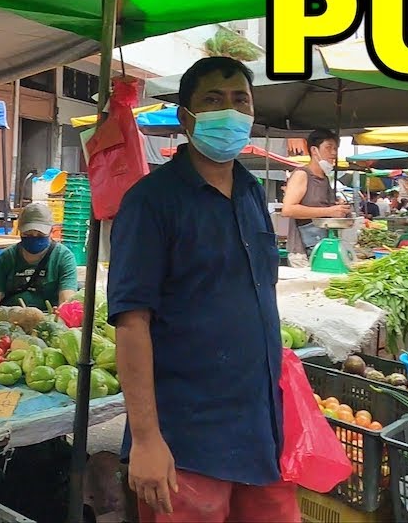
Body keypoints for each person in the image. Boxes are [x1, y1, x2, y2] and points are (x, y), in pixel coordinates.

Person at [109, 57, 296, 523]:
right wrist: (147, 440)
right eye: (213, 100)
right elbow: (132, 323)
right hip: (186, 439)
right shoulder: (151, 202)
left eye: (240, 101)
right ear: (185, 116)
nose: (229, 112)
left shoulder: (253, 191)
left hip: (259, 431)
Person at [0, 203, 78, 311]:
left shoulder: (63, 257)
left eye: (40, 235)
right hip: (11, 319)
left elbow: (66, 302)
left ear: (51, 231)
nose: (34, 237)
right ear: (20, 231)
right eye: (28, 234)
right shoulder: (6, 258)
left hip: (48, 318)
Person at [281, 128, 351, 268]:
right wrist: (329, 211)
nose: (333, 153)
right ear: (314, 150)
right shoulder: (302, 174)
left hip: (321, 245)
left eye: (335, 148)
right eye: (328, 147)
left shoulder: (325, 179)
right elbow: (288, 210)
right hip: (302, 251)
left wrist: (338, 207)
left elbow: (323, 207)